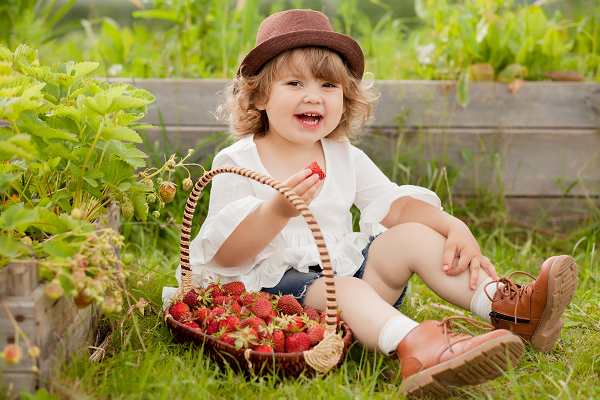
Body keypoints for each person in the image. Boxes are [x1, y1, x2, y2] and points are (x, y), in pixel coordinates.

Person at [178, 9, 578, 398]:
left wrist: (453, 226)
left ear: (346, 98)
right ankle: (417, 347)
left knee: (413, 236)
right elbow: (227, 256)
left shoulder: (340, 153)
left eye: (328, 85)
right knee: (346, 288)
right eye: (295, 84)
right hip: (282, 297)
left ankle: (509, 310)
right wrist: (278, 210)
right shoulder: (238, 161)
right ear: (260, 95)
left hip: (353, 280)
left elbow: (397, 207)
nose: (313, 96)